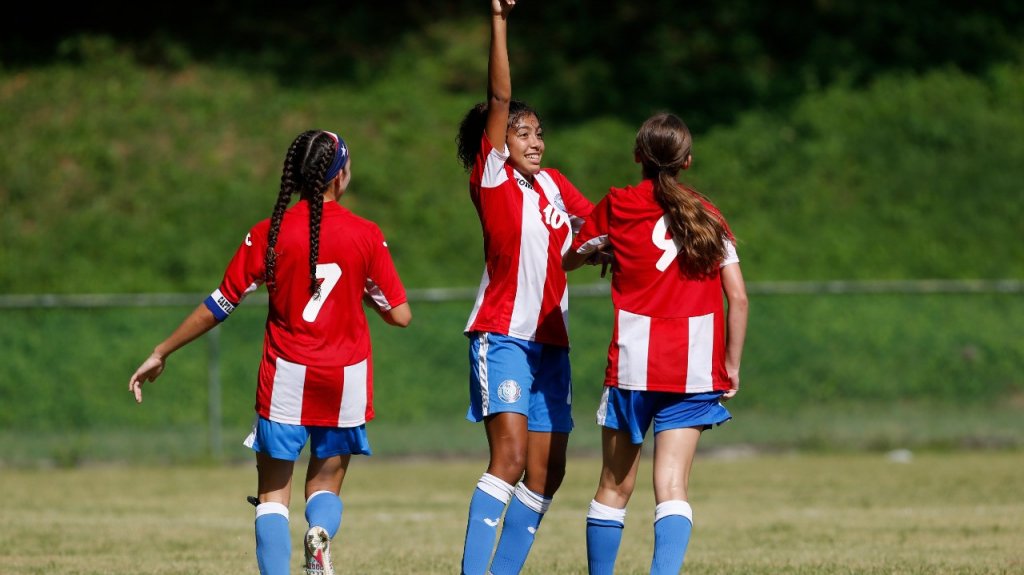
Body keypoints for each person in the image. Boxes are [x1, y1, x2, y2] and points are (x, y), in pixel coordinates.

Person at [127, 129, 412, 575]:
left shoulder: (269, 233)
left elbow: (219, 304)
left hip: (287, 375)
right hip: (346, 376)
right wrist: (365, 292)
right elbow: (401, 315)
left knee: (272, 496)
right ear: (340, 176)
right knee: (325, 489)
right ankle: (319, 535)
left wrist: (161, 350)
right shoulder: (366, 235)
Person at [563, 112, 749, 575]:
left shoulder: (619, 205)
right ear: (687, 161)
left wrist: (604, 250)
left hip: (633, 367)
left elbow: (570, 259)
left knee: (613, 487)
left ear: (637, 157)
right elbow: (739, 299)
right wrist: (732, 365)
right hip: (694, 369)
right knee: (672, 487)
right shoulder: (707, 213)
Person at [453, 1, 596, 574]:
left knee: (548, 472)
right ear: (500, 139)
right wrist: (499, 22)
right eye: (522, 131)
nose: (535, 141)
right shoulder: (491, 175)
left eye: (540, 133)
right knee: (508, 458)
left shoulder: (555, 186)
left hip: (551, 344)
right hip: (503, 335)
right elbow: (500, 95)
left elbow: (589, 235)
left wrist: (604, 247)